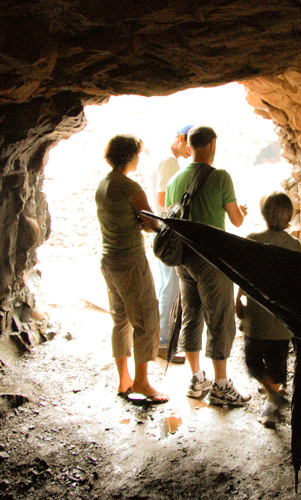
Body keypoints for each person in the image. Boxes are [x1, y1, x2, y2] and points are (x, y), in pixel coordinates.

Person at [165, 125, 250, 406]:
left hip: (183, 260)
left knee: (191, 315)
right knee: (220, 320)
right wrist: (243, 212)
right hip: (212, 260)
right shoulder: (221, 177)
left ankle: (197, 379)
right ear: (213, 144)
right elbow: (236, 221)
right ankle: (222, 386)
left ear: (189, 147)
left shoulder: (175, 180)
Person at [95, 134, 168, 405]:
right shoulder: (130, 187)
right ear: (129, 156)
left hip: (109, 259)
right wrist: (146, 222)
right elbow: (153, 224)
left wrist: (134, 220)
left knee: (121, 319)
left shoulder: (102, 185)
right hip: (130, 261)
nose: (139, 158)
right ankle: (142, 382)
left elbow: (119, 218)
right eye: (137, 154)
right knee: (146, 320)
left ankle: (124, 379)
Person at [235, 191, 301, 427]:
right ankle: (273, 398)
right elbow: (298, 283)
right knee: (278, 363)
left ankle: (271, 396)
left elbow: (244, 276)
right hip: (281, 320)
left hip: (257, 317)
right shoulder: (294, 245)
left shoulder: (252, 239)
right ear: (289, 215)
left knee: (252, 361)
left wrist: (238, 300)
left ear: (264, 214)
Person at [148, 124, 193, 364]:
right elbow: (162, 198)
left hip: (162, 231)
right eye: (189, 144)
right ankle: (163, 343)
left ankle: (160, 339)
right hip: (168, 232)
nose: (190, 151)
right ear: (182, 138)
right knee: (170, 288)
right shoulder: (169, 162)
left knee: (166, 286)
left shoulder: (167, 160)